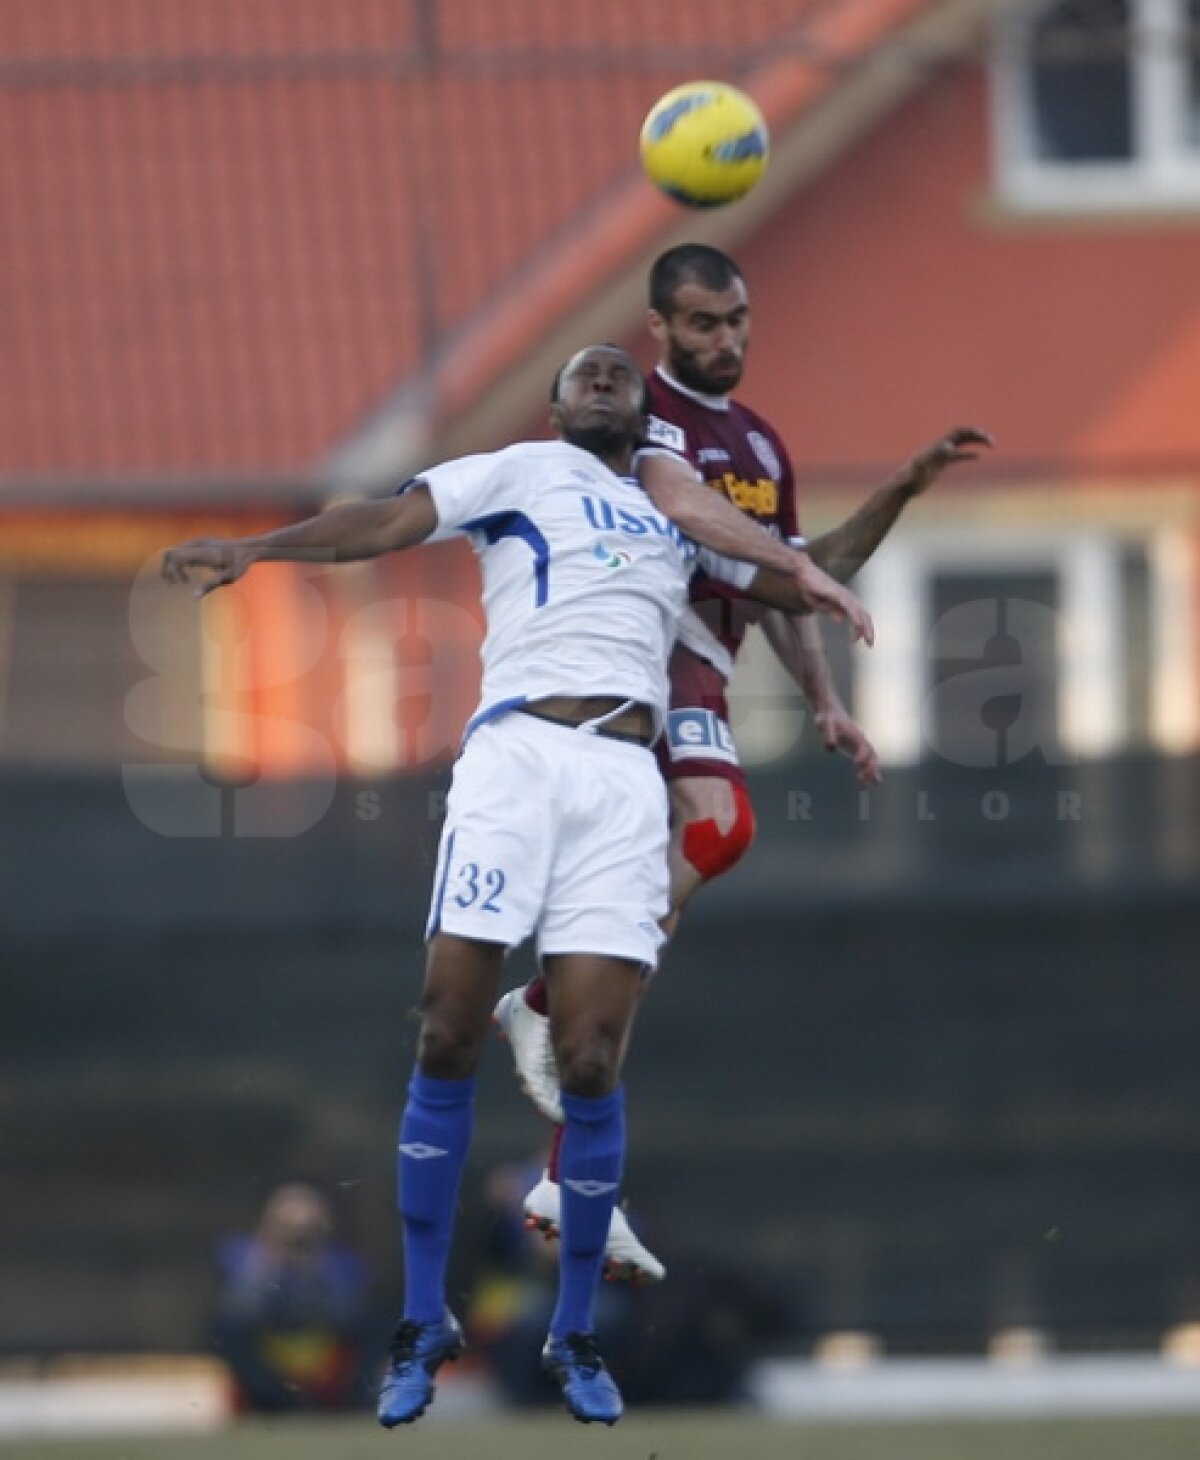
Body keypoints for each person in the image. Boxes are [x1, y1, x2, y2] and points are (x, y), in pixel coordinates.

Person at [162, 343, 873, 1427]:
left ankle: (575, 1330)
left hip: (622, 780)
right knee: (448, 1027)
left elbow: (800, 571)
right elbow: (384, 521)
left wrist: (895, 498)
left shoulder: (677, 510)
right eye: (584, 373)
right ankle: (422, 1320)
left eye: (619, 373)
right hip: (517, 760)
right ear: (554, 406)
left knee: (590, 1060)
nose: (604, 379)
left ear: (645, 412)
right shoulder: (519, 471)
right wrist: (258, 549)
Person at [495, 246, 992, 1283]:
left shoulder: (760, 441)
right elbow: (695, 518)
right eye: (704, 323)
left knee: (641, 942)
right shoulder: (647, 421)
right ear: (661, 328)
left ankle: (567, 1162)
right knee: (716, 831)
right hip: (639, 656)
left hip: (704, 672)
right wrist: (798, 569)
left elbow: (793, 576)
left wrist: (827, 696)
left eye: (737, 320)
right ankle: (543, 1005)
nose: (726, 340)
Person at [210, 1181, 380, 1413]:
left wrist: (315, 1266)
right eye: (287, 1227)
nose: (297, 1238)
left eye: (309, 1229)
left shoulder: (342, 1261)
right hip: (267, 1363)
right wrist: (271, 1258)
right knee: (229, 1329)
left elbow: (348, 1316)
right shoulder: (241, 1253)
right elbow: (238, 1311)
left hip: (324, 1362)